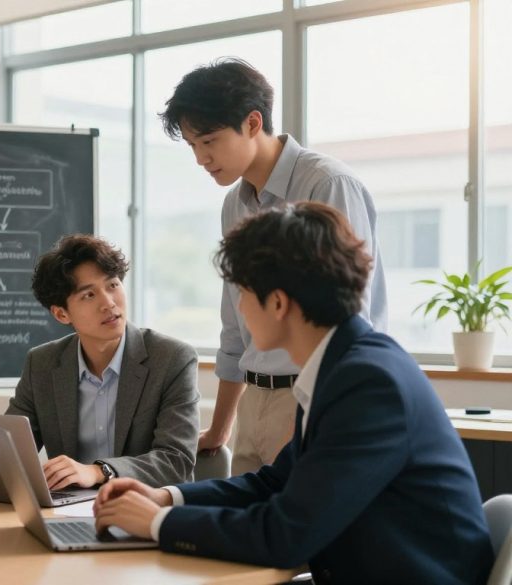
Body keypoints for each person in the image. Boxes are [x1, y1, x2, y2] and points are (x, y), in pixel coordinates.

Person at [94, 203, 492, 584]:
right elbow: (274, 483)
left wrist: (154, 524)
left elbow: (285, 536)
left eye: (243, 294)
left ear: (279, 302)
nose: (242, 310)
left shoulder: (368, 382)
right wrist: (165, 498)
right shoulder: (340, 365)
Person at [160, 57, 389, 474]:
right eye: (193, 146)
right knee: (242, 526)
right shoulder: (236, 202)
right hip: (254, 401)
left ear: (252, 123)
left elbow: (348, 316)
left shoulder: (326, 185)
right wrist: (220, 427)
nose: (200, 159)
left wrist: (322, 413)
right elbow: (235, 326)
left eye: (208, 141)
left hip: (312, 396)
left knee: (291, 531)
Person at [6, 234, 199, 489]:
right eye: (89, 295)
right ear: (62, 313)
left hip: (145, 509)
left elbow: (176, 461)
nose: (108, 303)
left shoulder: (173, 359)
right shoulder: (41, 364)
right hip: (67, 512)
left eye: (112, 285)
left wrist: (99, 472)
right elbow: (9, 450)